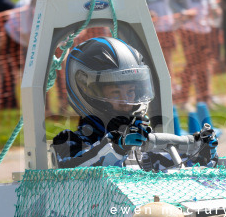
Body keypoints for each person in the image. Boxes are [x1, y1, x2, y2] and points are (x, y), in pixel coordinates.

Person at [53, 36, 217, 170]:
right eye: (116, 93)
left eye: (130, 92)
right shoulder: (69, 142)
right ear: (88, 92)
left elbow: (173, 166)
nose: (127, 102)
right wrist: (117, 147)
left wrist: (200, 153)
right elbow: (74, 171)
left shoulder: (141, 146)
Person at [170, 0, 218, 104]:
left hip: (204, 24)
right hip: (188, 27)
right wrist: (184, 12)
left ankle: (204, 96)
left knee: (205, 62)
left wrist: (214, 7)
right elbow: (173, 1)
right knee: (192, 62)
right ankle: (183, 97)